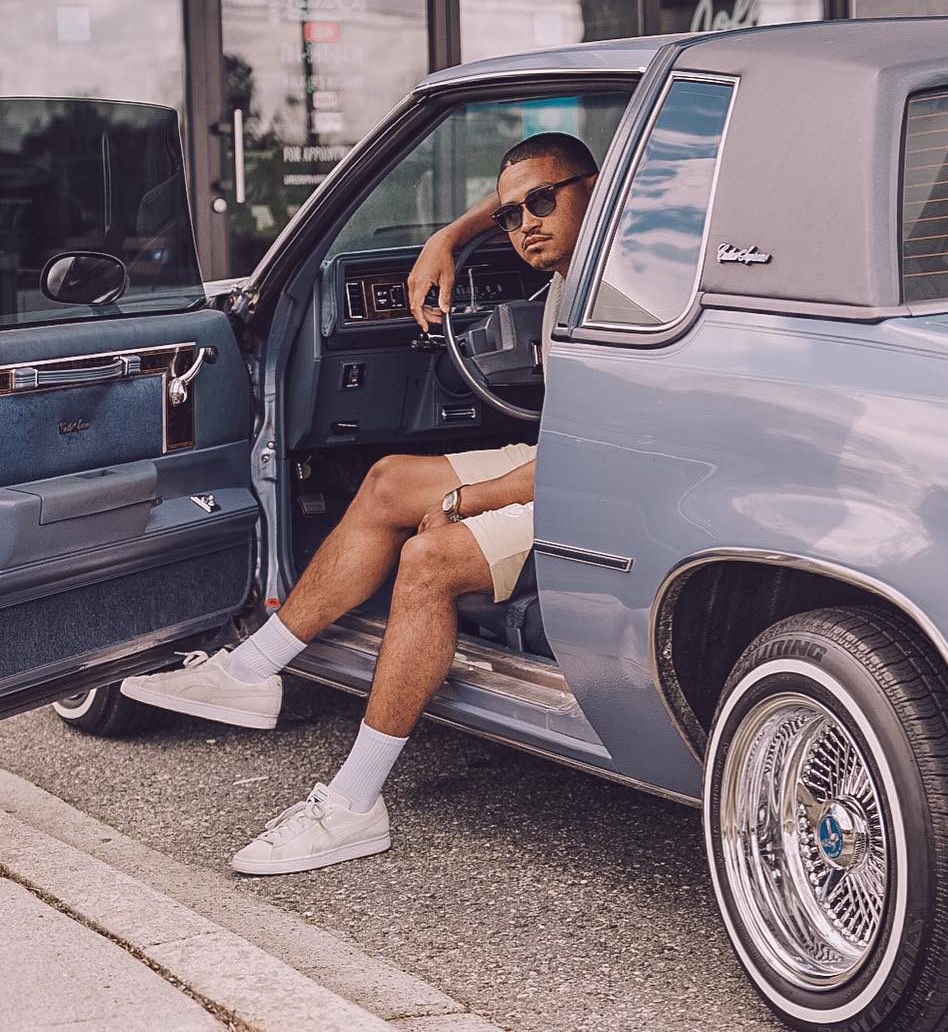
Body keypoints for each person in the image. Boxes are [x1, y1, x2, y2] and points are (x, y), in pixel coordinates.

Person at [118, 132, 599, 875]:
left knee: (429, 558)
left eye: (541, 204)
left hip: (602, 481)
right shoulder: (570, 263)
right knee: (386, 482)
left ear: (600, 189)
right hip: (564, 453)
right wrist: (449, 235)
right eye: (510, 215)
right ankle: (250, 671)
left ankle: (353, 803)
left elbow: (590, 455)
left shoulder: (621, 287)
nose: (524, 224)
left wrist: (469, 498)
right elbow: (543, 192)